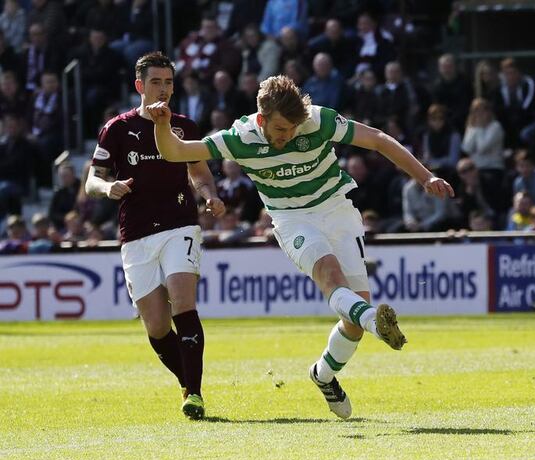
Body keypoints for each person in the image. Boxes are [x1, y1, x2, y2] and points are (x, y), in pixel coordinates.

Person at [146, 75, 454, 419]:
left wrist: (425, 176)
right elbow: (176, 151)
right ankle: (375, 322)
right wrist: (162, 125)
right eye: (280, 129)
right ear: (262, 120)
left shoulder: (318, 120)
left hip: (337, 209)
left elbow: (378, 139)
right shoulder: (240, 138)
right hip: (292, 219)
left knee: (351, 320)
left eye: (292, 129)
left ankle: (323, 375)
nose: (287, 136)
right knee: (331, 278)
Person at [84, 52, 225, 420]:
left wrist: (210, 195)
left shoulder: (185, 127)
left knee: (184, 304)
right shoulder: (116, 129)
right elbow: (91, 180)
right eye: (156, 82)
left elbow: (199, 172)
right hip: (136, 234)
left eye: (168, 82)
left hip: (180, 224)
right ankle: (188, 380)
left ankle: (194, 394)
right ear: (140, 86)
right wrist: (107, 188)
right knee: (158, 326)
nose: (163, 89)